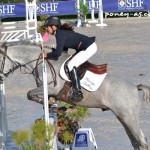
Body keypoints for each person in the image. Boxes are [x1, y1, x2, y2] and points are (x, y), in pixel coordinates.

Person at [43, 16, 97, 102]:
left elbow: (57, 53)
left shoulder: (60, 34)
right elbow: (62, 51)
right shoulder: (60, 33)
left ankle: (78, 92)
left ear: (53, 27)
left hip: (89, 47)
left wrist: (46, 55)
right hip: (86, 47)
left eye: (47, 27)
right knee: (69, 63)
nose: (47, 30)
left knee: (71, 64)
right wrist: (51, 52)